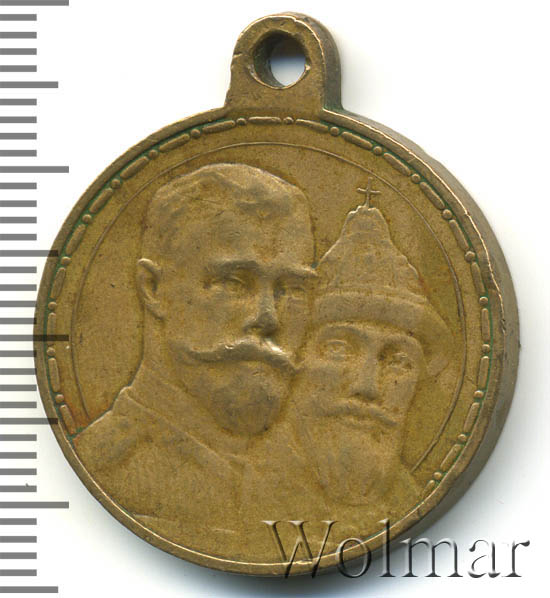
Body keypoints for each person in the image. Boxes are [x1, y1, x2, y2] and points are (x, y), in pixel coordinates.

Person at [73, 163, 317, 553]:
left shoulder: (313, 480)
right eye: (234, 283)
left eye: (291, 288)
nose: (268, 318)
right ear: (153, 289)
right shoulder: (102, 469)